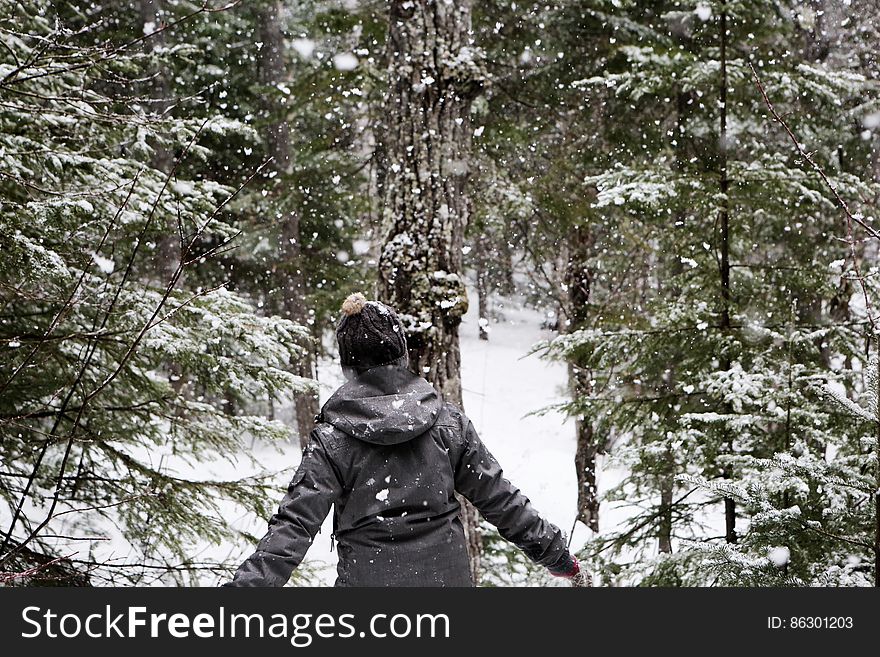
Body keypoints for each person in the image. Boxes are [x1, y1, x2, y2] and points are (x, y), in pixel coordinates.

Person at [224, 292, 583, 587]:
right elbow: (500, 499)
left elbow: (294, 526)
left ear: (348, 366)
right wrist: (556, 555)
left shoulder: (334, 437)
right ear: (402, 355)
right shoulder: (447, 422)